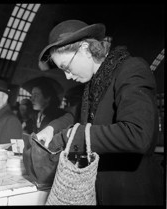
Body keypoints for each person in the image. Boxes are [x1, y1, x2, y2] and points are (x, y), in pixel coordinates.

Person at [36, 20, 163, 205]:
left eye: (66, 66)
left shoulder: (131, 69)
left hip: (130, 193)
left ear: (85, 49)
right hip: (98, 191)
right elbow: (74, 114)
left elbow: (139, 134)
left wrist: (73, 136)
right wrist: (52, 128)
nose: (67, 76)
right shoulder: (92, 84)